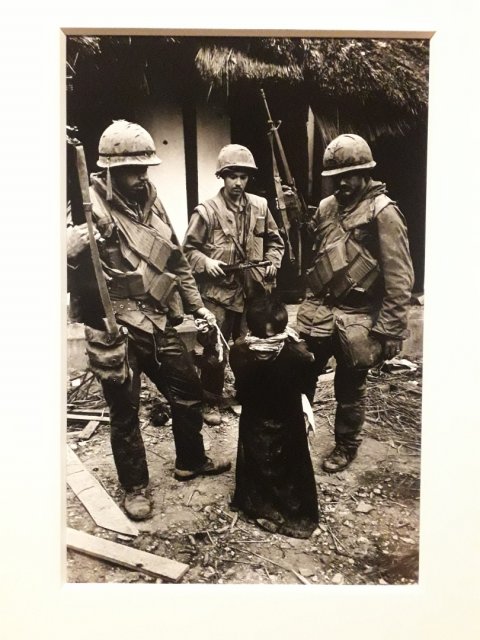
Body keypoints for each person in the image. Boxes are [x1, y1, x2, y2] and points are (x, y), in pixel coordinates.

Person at [68, 120, 231, 521]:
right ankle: (135, 487)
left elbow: (176, 260)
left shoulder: (152, 202)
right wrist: (72, 244)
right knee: (125, 412)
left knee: (189, 390)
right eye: (133, 170)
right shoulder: (88, 208)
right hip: (116, 327)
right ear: (109, 170)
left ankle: (190, 460)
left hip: (158, 320)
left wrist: (198, 308)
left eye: (145, 168)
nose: (142, 177)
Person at [297, 133, 414, 473]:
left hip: (359, 316)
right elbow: (320, 258)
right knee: (300, 374)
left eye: (350, 175)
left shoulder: (384, 212)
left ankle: (346, 446)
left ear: (367, 174)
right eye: (336, 177)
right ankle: (297, 436)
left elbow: (399, 276)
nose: (342, 183)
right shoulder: (326, 208)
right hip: (321, 310)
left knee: (350, 386)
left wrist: (390, 330)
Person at [183, 144, 285, 425]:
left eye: (243, 176)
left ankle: (246, 394)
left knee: (249, 348)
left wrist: (272, 262)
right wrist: (206, 262)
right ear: (222, 177)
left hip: (252, 292)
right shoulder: (206, 212)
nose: (238, 182)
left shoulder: (261, 207)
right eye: (232, 176)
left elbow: (276, 242)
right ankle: (211, 401)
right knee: (213, 350)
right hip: (217, 294)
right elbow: (187, 252)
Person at [229, 295, 319, 539]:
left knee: (274, 460)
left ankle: (267, 506)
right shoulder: (296, 352)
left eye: (270, 337)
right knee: (266, 461)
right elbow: (307, 383)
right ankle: (263, 506)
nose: (265, 345)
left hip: (280, 416)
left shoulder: (241, 351)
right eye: (263, 337)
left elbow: (242, 388)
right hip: (267, 414)